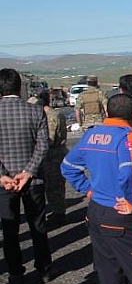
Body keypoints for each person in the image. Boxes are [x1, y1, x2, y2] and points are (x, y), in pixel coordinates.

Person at [61, 94, 132, 284]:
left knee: (109, 278)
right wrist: (131, 202)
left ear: (106, 112)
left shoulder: (91, 135)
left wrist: (88, 191)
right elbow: (129, 173)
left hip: (98, 213)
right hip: (122, 215)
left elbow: (68, 167)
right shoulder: (127, 138)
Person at [0, 68, 53, 284]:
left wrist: (2, 175)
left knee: (9, 228)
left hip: (3, 183)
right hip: (33, 180)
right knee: (37, 224)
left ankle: (15, 271)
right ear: (20, 87)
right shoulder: (35, 111)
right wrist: (28, 171)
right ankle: (44, 269)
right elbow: (43, 146)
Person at [37, 90, 68, 226]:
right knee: (58, 185)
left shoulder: (48, 116)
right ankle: (58, 211)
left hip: (51, 154)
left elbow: (49, 139)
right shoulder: (58, 114)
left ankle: (58, 213)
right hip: (59, 152)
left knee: (53, 186)